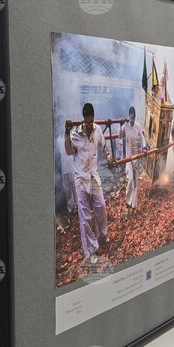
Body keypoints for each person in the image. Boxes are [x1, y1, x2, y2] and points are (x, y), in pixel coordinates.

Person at [64, 103, 114, 264]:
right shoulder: (75, 134)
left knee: (101, 207)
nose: (89, 125)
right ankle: (90, 249)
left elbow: (104, 146)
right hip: (81, 179)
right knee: (85, 216)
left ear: (93, 118)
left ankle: (102, 235)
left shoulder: (97, 130)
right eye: (86, 122)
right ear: (83, 119)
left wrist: (109, 158)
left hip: (93, 176)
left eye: (91, 121)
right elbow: (69, 151)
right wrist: (66, 133)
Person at [119, 105, 147, 216]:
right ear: (128, 116)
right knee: (130, 181)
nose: (132, 120)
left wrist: (144, 146)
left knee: (135, 183)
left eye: (133, 118)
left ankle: (134, 205)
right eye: (130, 118)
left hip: (136, 158)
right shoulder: (125, 126)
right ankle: (127, 205)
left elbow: (142, 137)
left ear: (135, 117)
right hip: (128, 159)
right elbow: (120, 136)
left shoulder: (138, 126)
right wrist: (121, 125)